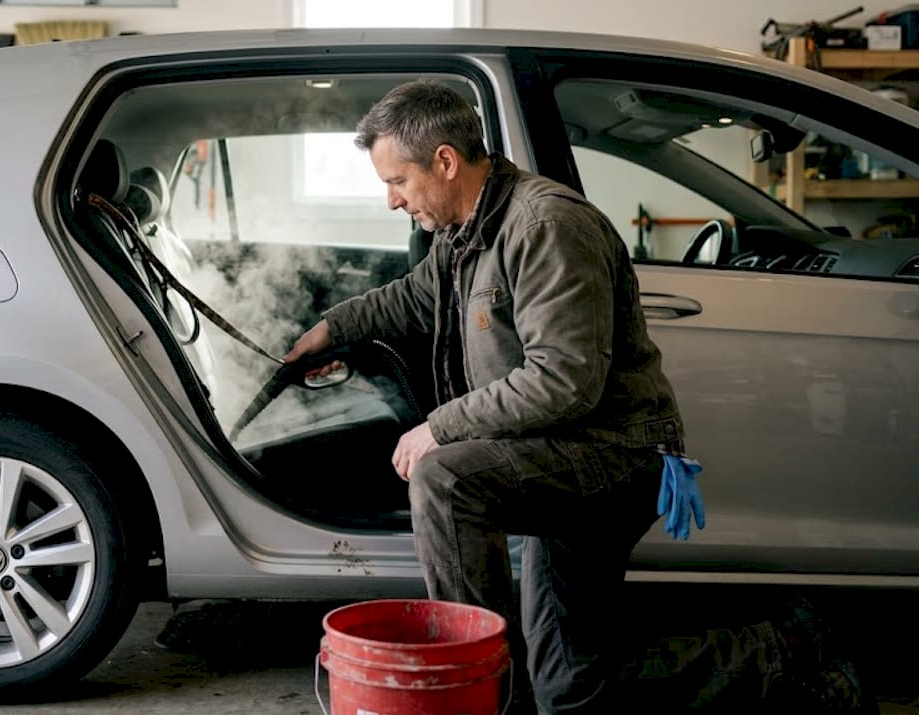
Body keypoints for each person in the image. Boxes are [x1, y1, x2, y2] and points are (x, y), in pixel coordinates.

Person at [283, 80, 870, 713]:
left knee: (446, 478)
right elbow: (417, 296)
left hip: (612, 455)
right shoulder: (468, 230)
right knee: (571, 690)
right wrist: (331, 329)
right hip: (555, 452)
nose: (392, 200)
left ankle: (477, 690)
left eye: (398, 181)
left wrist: (441, 426)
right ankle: (782, 650)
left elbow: (563, 380)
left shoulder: (546, 226)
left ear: (445, 161)